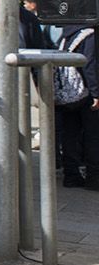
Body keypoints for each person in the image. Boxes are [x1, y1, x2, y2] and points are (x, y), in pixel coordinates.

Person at [55, 23, 99, 189]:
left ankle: (71, 175)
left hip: (69, 93)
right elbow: (90, 64)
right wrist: (95, 93)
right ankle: (94, 177)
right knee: (93, 135)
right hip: (87, 92)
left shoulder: (67, 35)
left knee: (70, 134)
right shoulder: (90, 34)